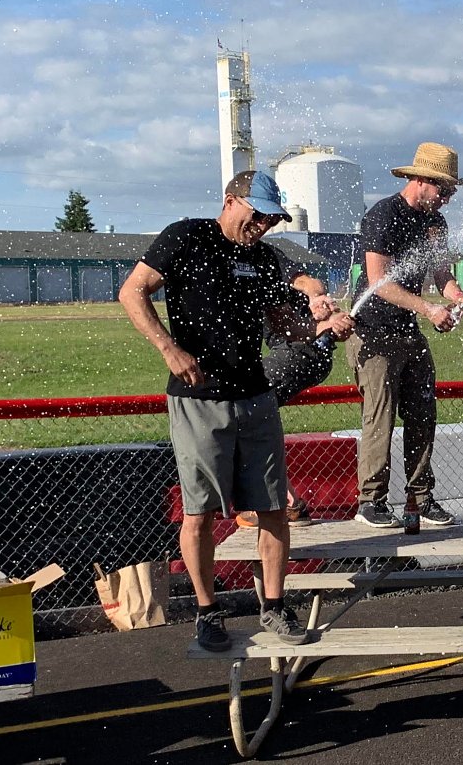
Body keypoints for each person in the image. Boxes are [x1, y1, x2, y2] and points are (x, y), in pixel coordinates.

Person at [119, 170, 313, 652]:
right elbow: (132, 291)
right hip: (198, 401)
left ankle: (273, 605)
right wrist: (168, 348)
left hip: (256, 396)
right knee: (201, 513)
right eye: (258, 214)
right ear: (231, 201)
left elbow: (286, 329)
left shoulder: (266, 258)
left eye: (272, 219)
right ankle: (208, 612)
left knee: (273, 509)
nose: (264, 225)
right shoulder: (186, 236)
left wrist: (324, 325)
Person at [347, 141, 463, 528]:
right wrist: (429, 309)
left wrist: (456, 295)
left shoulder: (435, 222)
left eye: (452, 192)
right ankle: (371, 501)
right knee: (381, 416)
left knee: (423, 412)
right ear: (420, 180)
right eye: (444, 190)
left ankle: (420, 499)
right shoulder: (383, 215)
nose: (448, 199)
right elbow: (378, 282)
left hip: (406, 330)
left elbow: (440, 273)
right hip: (372, 332)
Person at [238, 249, 354, 528]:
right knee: (256, 417)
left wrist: (317, 299)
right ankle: (290, 503)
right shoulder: (247, 255)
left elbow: (306, 281)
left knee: (244, 414)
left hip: (298, 351)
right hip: (310, 354)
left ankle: (282, 503)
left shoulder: (261, 254)